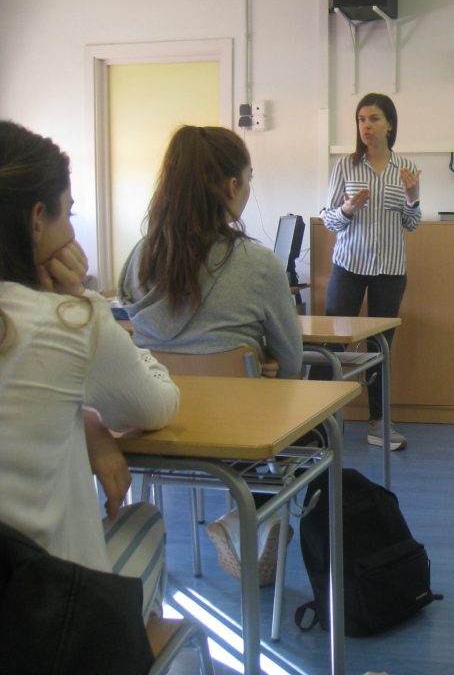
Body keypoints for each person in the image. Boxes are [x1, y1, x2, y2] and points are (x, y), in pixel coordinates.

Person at [0, 119, 179, 623]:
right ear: (37, 219)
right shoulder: (65, 320)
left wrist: (82, 420)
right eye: (70, 212)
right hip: (45, 623)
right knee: (145, 522)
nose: (73, 232)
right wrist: (84, 300)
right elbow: (156, 406)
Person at [118, 124, 303, 583]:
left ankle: (243, 521)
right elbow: (292, 362)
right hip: (243, 441)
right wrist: (260, 366)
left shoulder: (139, 258)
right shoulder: (259, 264)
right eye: (249, 179)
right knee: (317, 425)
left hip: (156, 431)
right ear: (231, 185)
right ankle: (255, 517)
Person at [320, 93, 421, 450]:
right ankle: (318, 423)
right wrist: (347, 208)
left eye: (374, 119)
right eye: (361, 119)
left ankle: (379, 423)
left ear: (389, 124)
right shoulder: (345, 166)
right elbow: (328, 219)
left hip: (390, 270)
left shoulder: (405, 168)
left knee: (380, 346)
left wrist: (413, 197)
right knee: (331, 342)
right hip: (348, 265)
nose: (366, 126)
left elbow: (412, 224)